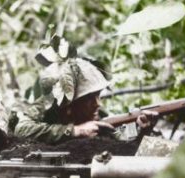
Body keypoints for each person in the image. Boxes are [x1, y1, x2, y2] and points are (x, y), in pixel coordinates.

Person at [12, 40, 156, 143]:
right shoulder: (48, 105)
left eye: (98, 95)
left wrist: (142, 131)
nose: (97, 104)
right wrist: (76, 131)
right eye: (89, 98)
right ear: (69, 103)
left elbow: (121, 142)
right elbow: (22, 129)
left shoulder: (97, 116)